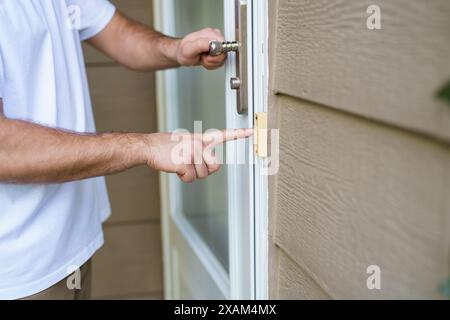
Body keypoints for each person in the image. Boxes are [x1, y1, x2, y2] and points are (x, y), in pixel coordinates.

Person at [0, 0, 252, 300]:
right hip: (18, 273)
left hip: (69, 248)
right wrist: (145, 146)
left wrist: (175, 49)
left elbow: (116, 33)